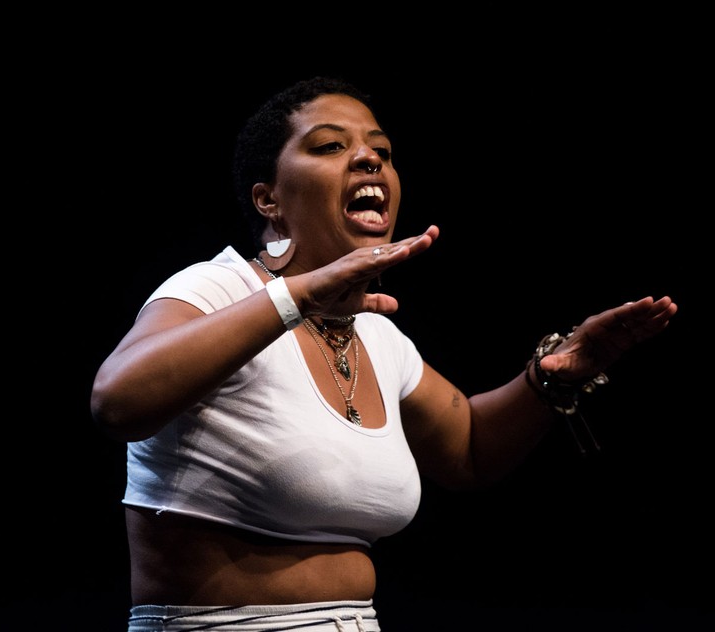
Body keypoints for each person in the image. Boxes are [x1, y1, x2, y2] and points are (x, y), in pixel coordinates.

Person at [90, 76, 678, 632]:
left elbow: (469, 449)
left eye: (383, 150)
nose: (370, 158)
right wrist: (299, 294)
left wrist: (551, 379)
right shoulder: (218, 290)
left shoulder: (374, 334)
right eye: (329, 145)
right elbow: (118, 401)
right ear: (268, 199)